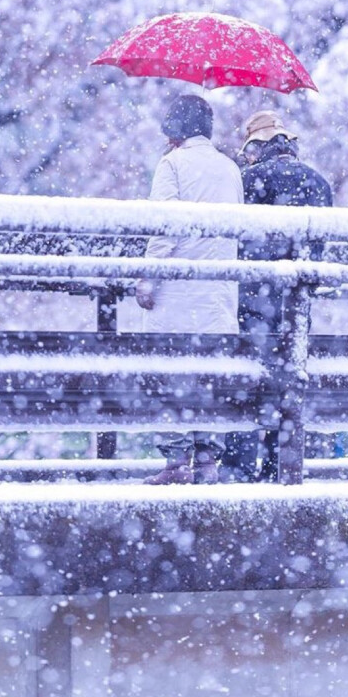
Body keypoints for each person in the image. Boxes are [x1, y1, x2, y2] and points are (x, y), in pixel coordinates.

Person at [135, 94, 245, 484]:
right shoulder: (230, 168)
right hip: (218, 298)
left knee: (171, 377)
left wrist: (149, 279)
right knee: (210, 380)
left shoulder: (173, 165)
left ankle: (177, 462)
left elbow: (165, 227)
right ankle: (209, 461)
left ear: (173, 130)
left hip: (178, 297)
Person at [220, 109, 333, 482]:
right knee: (290, 378)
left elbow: (239, 241)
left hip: (255, 296)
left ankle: (239, 464)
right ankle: (280, 461)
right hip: (297, 304)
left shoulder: (247, 180)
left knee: (250, 378)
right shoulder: (319, 184)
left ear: (256, 148)